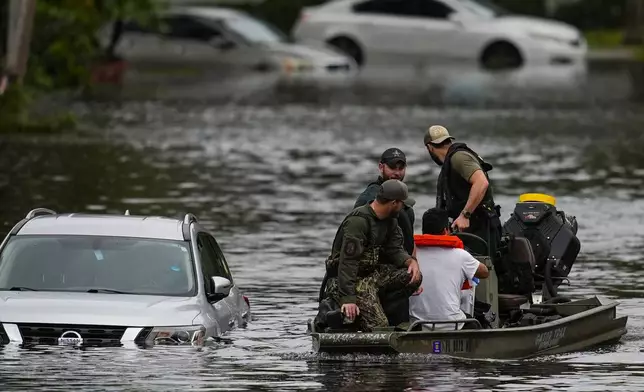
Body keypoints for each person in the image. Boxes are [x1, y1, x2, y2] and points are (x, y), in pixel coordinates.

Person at [317, 179, 422, 332]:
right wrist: (348, 299)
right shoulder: (358, 222)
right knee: (380, 327)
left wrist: (410, 262)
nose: (403, 208)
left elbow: (394, 249)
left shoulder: (390, 221)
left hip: (372, 276)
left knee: (413, 277)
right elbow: (348, 263)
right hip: (350, 281)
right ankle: (339, 312)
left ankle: (372, 306)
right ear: (393, 203)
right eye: (402, 204)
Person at [354, 147, 417, 326]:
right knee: (381, 326)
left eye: (401, 168)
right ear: (381, 167)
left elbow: (408, 240)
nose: (397, 173)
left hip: (397, 272)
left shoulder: (402, 199)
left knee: (399, 324)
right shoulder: (369, 200)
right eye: (392, 168)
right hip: (374, 276)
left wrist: (413, 263)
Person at [423, 125, 503, 260]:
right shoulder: (451, 160)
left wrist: (465, 215)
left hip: (481, 228)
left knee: (480, 274)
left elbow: (481, 183)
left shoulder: (458, 157)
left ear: (430, 147)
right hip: (470, 229)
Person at [409, 208, 489, 331]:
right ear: (446, 230)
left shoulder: (410, 256)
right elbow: (484, 272)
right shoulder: (460, 255)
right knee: (478, 323)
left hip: (418, 326)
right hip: (453, 324)